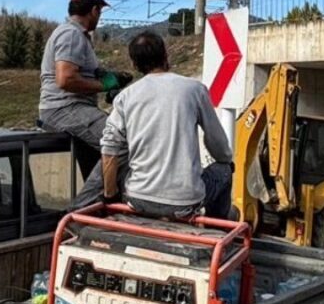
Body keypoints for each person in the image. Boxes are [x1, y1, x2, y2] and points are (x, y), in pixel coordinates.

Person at [99, 31, 234, 220]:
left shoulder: (125, 97)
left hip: (138, 200)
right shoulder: (194, 90)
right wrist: (226, 159)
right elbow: (219, 146)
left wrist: (110, 197)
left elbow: (109, 150)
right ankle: (216, 227)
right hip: (185, 203)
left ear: (134, 64)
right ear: (165, 54)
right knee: (224, 170)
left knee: (125, 167)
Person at [37, 0, 129, 188]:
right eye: (100, 11)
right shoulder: (71, 35)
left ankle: (99, 202)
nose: (100, 16)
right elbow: (65, 79)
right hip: (64, 108)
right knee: (120, 141)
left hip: (70, 108)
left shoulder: (75, 35)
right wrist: (104, 86)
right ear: (94, 9)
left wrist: (108, 76)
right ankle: (93, 200)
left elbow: (80, 71)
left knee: (99, 156)